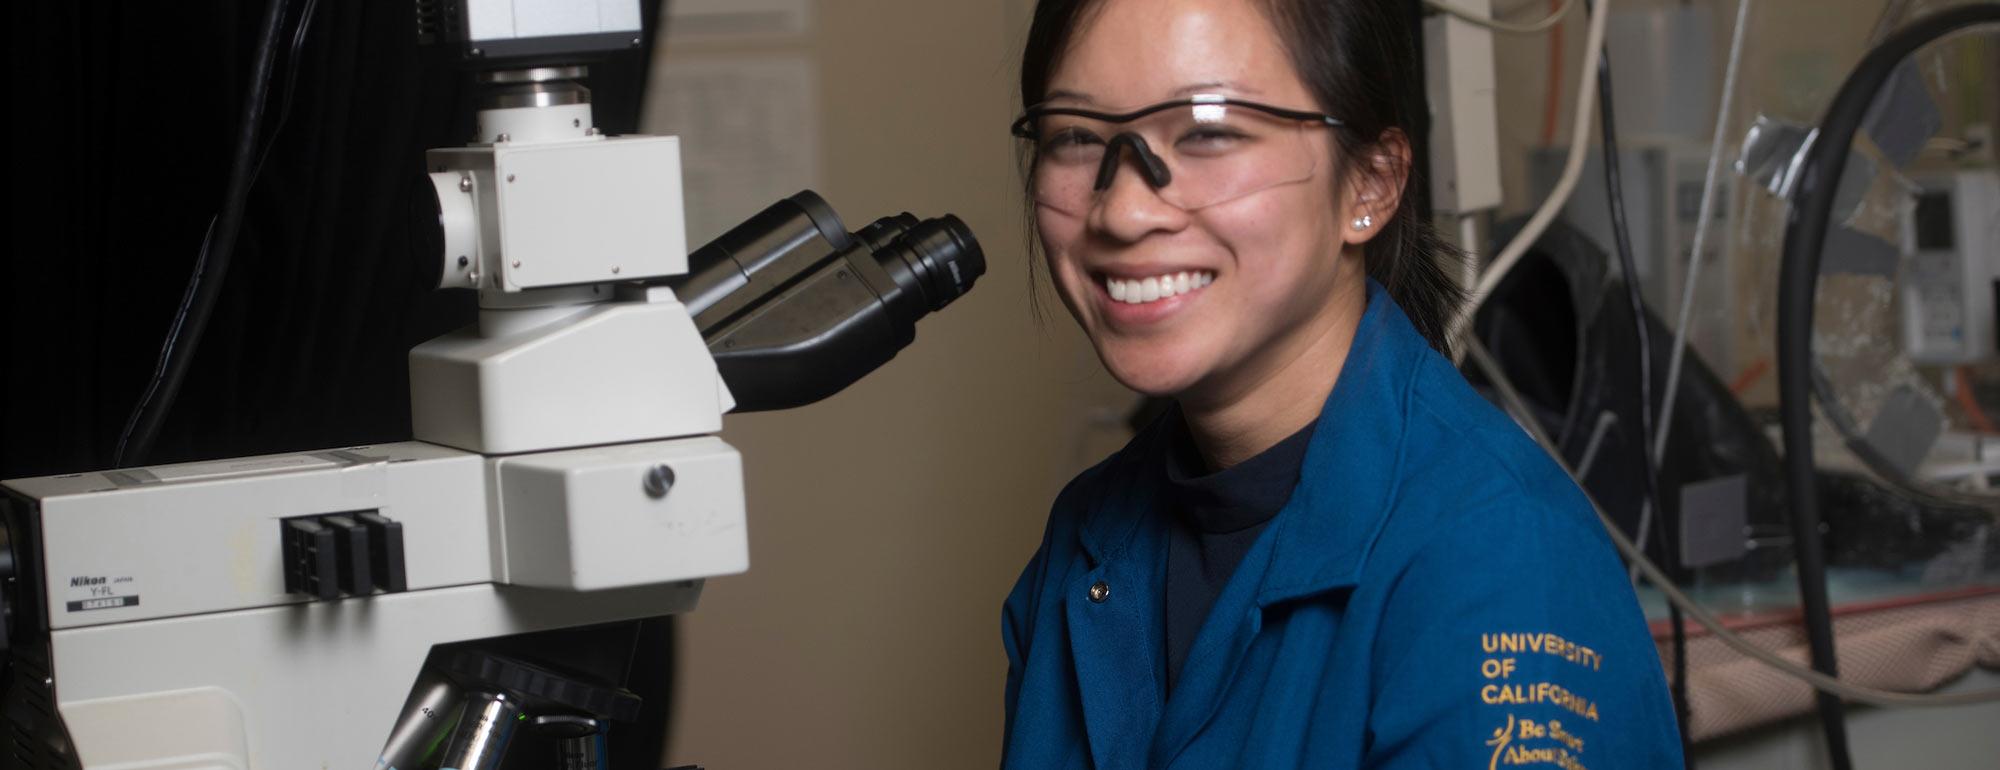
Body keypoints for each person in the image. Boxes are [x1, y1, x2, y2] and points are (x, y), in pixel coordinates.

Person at [998, 1, 1685, 768]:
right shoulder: (1089, 542)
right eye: (1076, 137)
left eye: (1208, 130)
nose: (1122, 209)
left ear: (1371, 183)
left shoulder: (1501, 564)